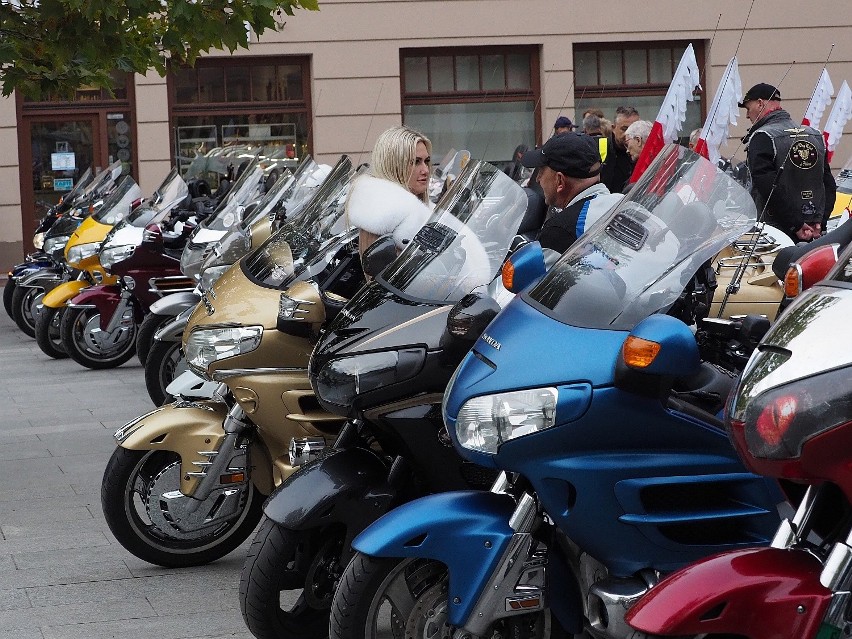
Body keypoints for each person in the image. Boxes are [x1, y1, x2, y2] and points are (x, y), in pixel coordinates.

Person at [740, 83, 836, 242]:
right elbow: (828, 184)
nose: (747, 115)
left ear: (760, 103)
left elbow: (768, 187)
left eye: (748, 108)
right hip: (813, 231)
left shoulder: (763, 136)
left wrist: (796, 225)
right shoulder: (814, 135)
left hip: (774, 234)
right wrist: (821, 221)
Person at [520, 132, 623, 256]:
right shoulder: (627, 205)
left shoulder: (559, 231)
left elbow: (537, 275)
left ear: (560, 181)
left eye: (541, 171)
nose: (538, 179)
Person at [346, 125, 434, 257]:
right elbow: (377, 276)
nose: (425, 170)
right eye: (416, 162)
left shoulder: (427, 209)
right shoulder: (380, 216)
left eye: (426, 161)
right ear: (394, 165)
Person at [600, 105, 640, 194]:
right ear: (613, 128)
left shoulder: (643, 153)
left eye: (634, 129)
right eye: (624, 129)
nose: (628, 134)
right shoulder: (598, 147)